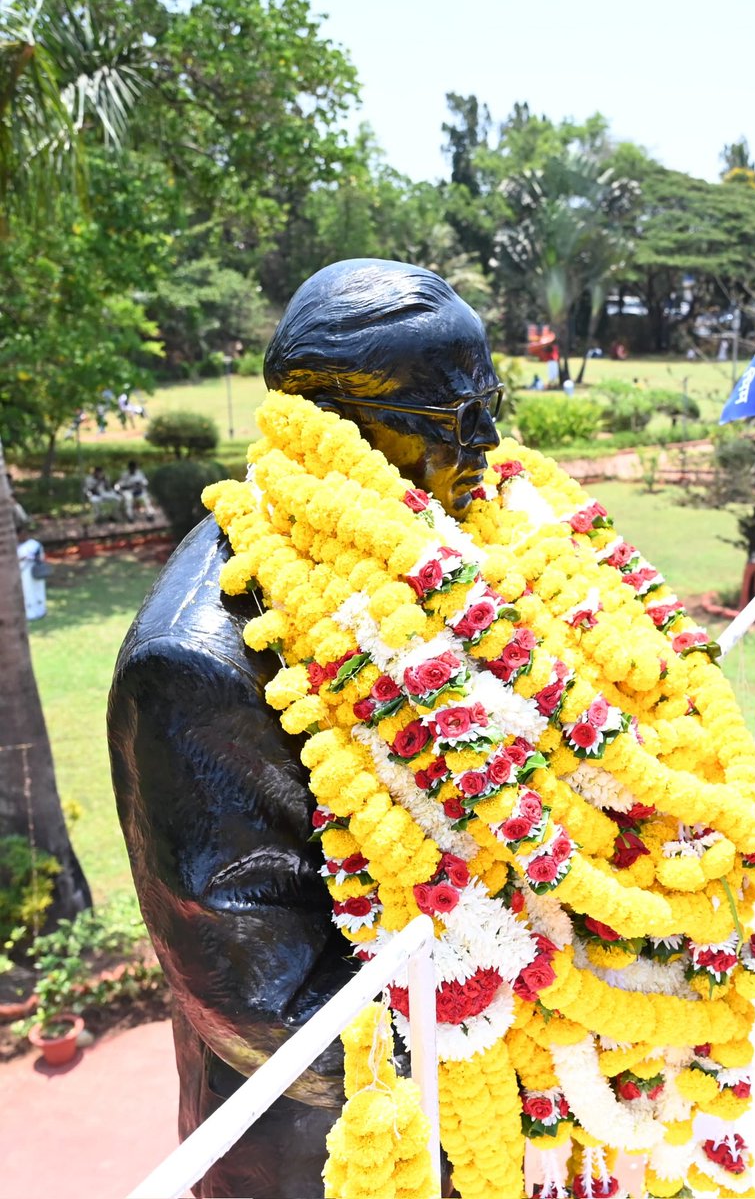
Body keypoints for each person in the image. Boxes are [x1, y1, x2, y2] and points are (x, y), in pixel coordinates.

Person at [109, 260, 502, 1197]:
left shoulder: (419, 538)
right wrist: (513, 1045)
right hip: (325, 1148)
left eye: (495, 404)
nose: (489, 446)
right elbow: (256, 998)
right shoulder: (195, 663)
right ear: (331, 429)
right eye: (452, 421)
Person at [17, 524, 48, 621]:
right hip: (22, 573)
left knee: (37, 592)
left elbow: (40, 557)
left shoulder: (34, 544)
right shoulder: (16, 546)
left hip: (34, 571)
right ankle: (29, 613)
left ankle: (40, 611)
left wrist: (28, 557)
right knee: (26, 592)